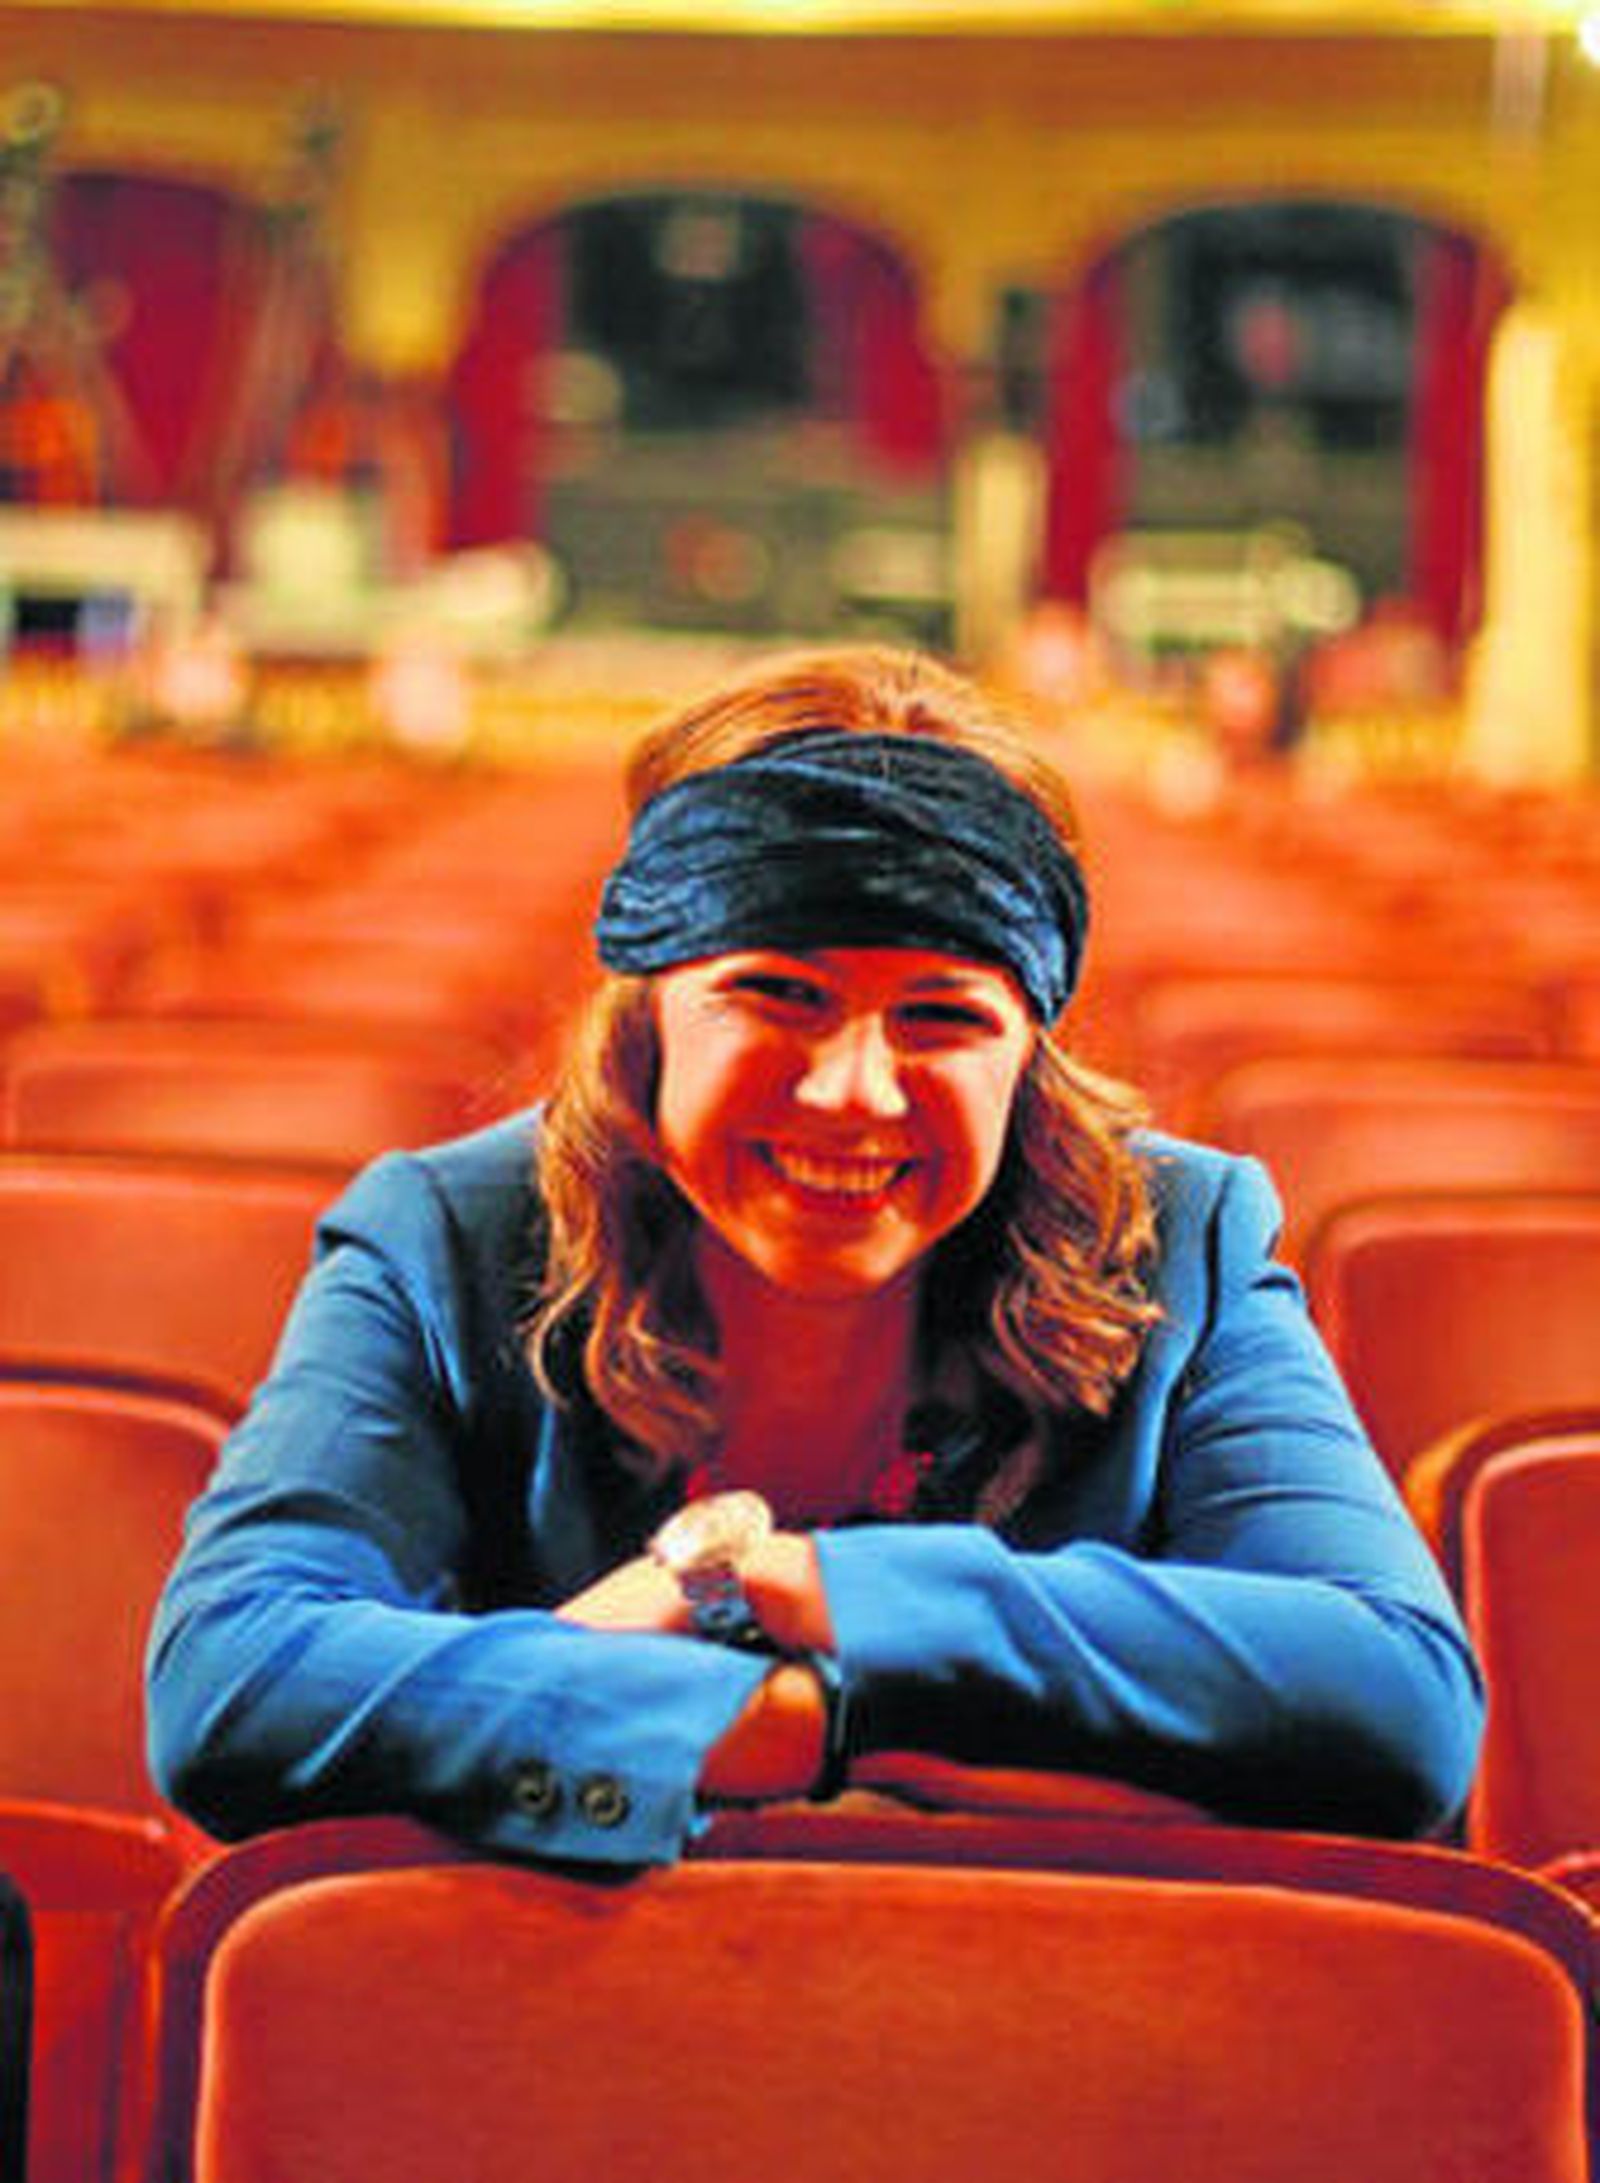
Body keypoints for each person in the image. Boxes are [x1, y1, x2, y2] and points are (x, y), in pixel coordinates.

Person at [146, 645, 1483, 1868]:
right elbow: (233, 1687)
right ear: (648, 1013)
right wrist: (807, 1734)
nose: (856, 1092)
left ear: (1030, 1051)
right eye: (780, 994)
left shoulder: (1176, 1241)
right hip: (571, 1995)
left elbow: (1400, 1702)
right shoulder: (451, 1235)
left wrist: (798, 1600)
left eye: (942, 1018)